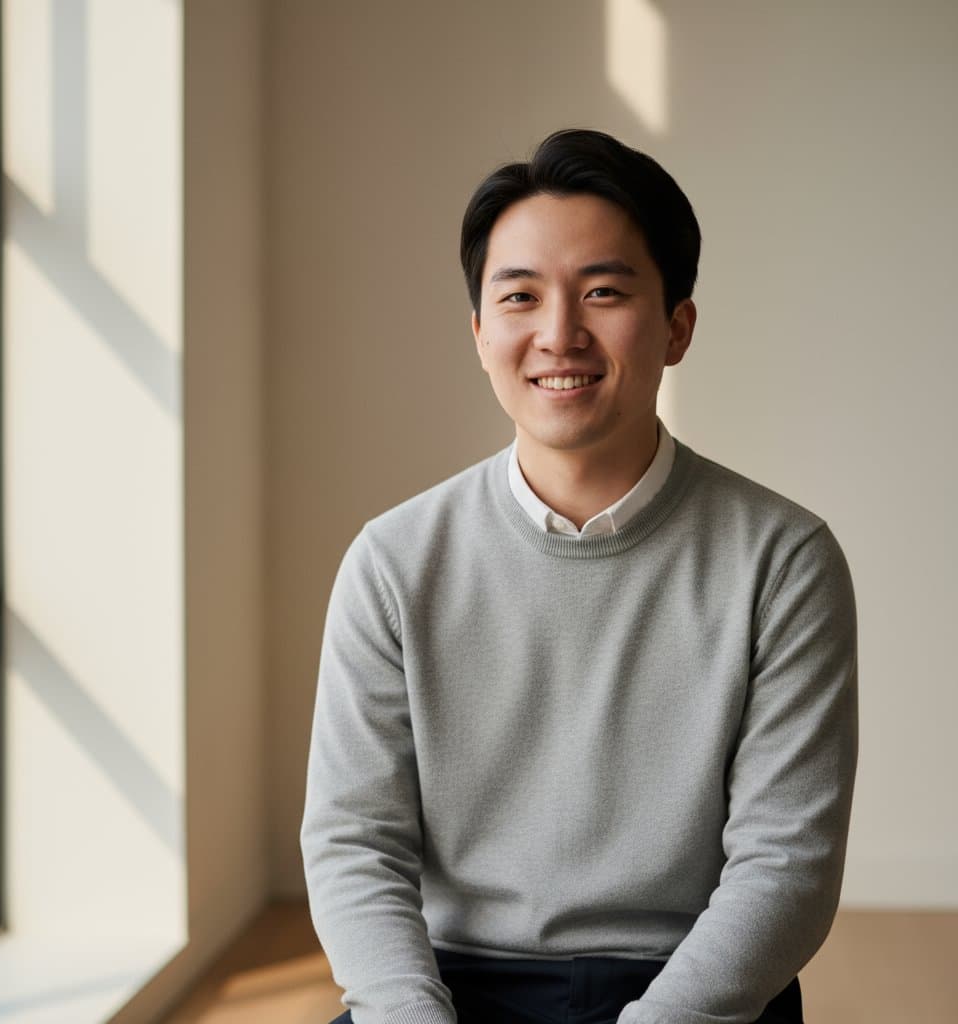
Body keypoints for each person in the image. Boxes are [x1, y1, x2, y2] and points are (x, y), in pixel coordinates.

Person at [301, 128, 858, 1024]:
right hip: (449, 987)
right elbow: (352, 843)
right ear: (481, 333)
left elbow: (785, 865)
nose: (559, 334)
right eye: (519, 297)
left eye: (602, 292)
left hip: (691, 989)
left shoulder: (783, 560)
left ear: (677, 326)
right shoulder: (394, 561)